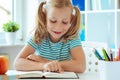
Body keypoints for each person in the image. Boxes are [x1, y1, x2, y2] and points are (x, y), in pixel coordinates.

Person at [14, 0, 86, 73]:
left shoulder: (72, 36)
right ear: (44, 17)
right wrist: (43, 65)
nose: (58, 27)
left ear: (71, 19)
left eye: (64, 22)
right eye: (53, 21)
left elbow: (81, 66)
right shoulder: (39, 35)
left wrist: (45, 61)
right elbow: (17, 63)